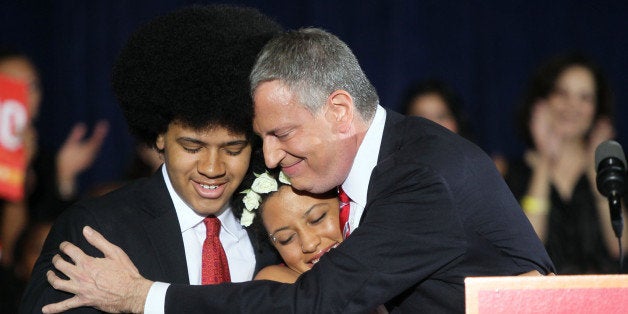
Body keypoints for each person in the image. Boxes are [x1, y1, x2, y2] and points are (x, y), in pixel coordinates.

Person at [41, 27, 554, 313]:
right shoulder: (102, 228)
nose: (267, 159)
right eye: (260, 138)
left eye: (280, 135)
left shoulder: (421, 177)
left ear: (337, 110)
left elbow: (315, 303)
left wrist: (141, 296)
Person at [19, 5, 282, 313]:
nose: (213, 168)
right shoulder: (98, 230)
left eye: (233, 149)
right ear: (160, 137)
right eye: (192, 146)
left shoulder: (277, 228)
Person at [504, 53, 627, 274]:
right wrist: (543, 163)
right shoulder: (515, 172)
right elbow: (527, 249)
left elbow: (621, 246)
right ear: (542, 103)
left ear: (597, 109)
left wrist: (596, 169)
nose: (573, 106)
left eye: (585, 98)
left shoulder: (614, 171)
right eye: (562, 93)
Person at [0, 49, 109, 268]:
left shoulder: (45, 159)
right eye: (13, 87)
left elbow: (45, 247)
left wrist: (64, 178)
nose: (26, 97)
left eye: (32, 87)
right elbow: (11, 256)